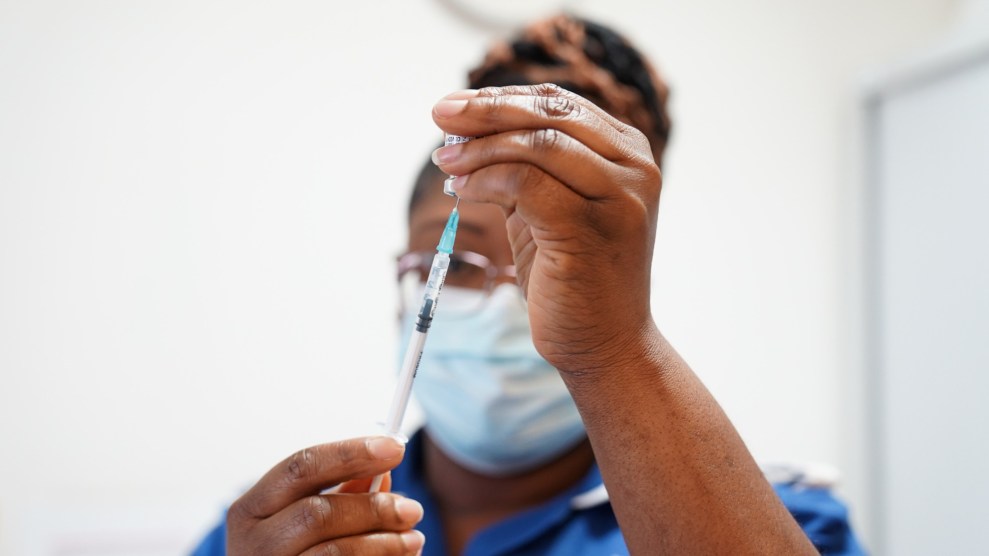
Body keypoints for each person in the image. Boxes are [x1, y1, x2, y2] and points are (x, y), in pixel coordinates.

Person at [193, 14, 864, 555]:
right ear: (404, 273)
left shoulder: (782, 521)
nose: (499, 304)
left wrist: (610, 348)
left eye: (548, 264)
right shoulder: (289, 531)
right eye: (452, 264)